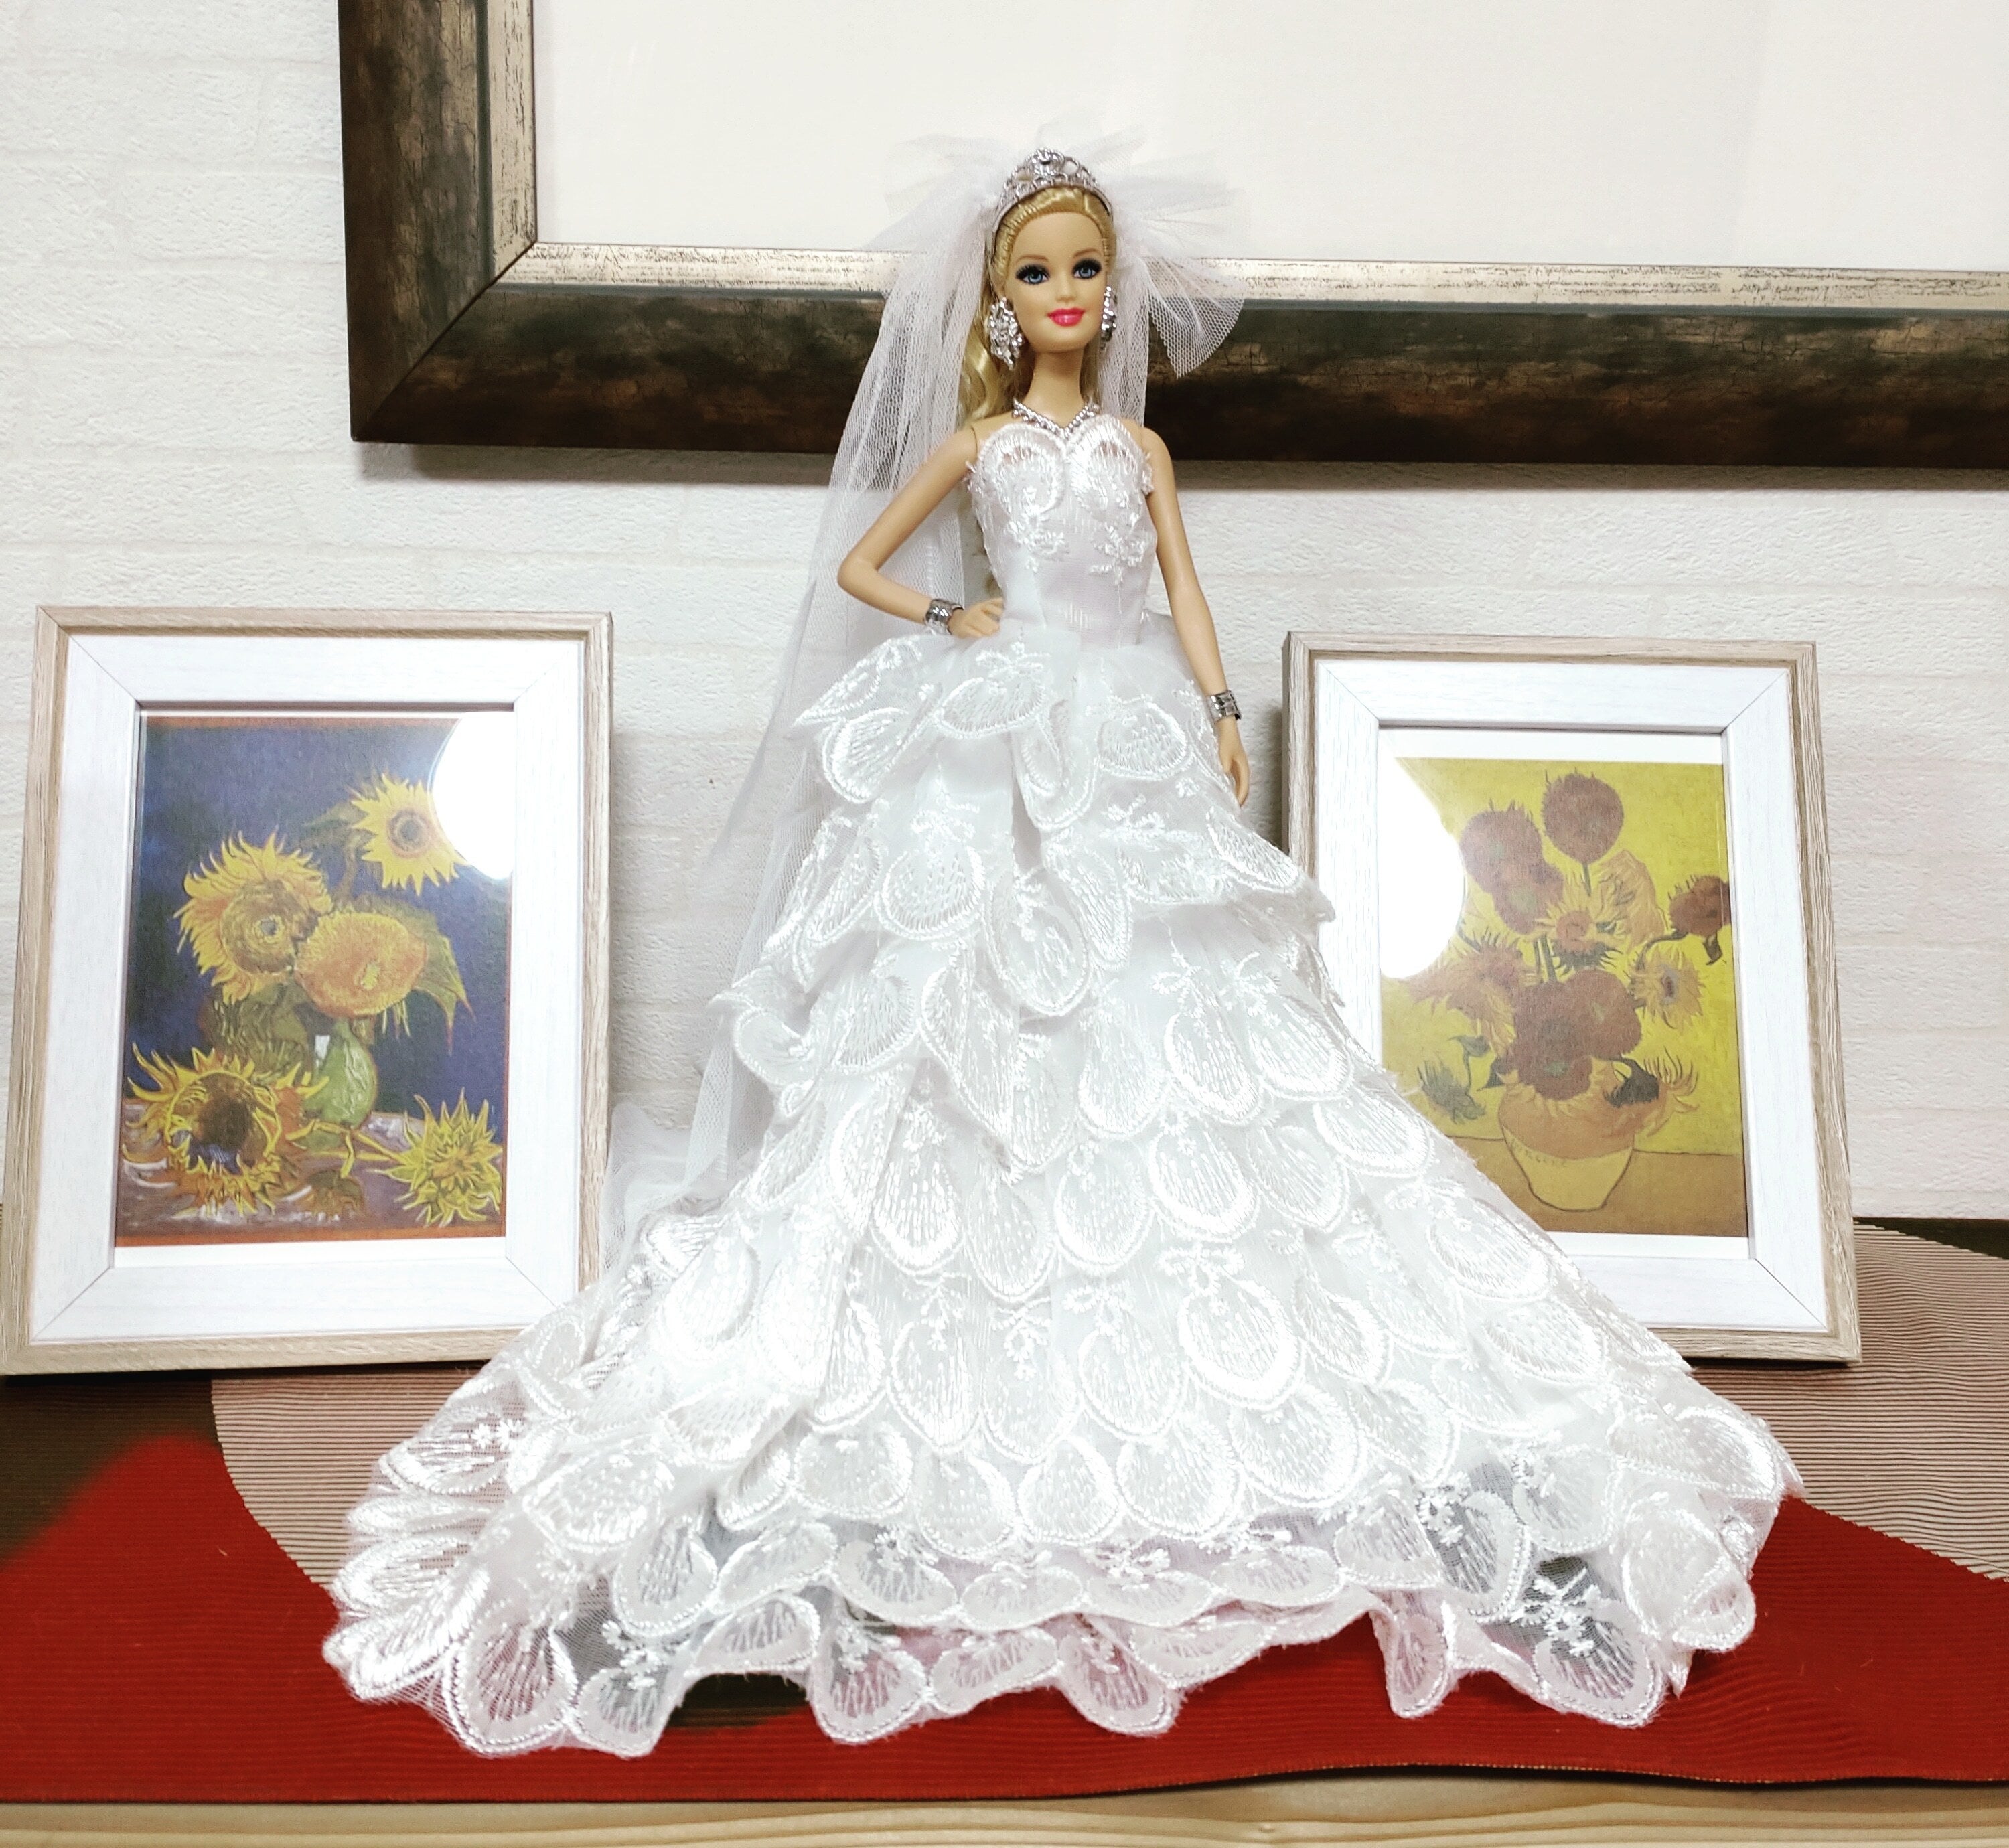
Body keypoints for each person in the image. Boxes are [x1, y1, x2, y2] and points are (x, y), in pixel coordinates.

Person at [325, 143, 1794, 1757]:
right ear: (998, 299)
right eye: (1037, 273)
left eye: (1084, 269)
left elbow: (1183, 589)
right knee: (960, 1005)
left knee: (1184, 1006)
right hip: (1000, 734)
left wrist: (1219, 707)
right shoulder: (987, 446)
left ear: (1113, 285)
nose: (1065, 295)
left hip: (1135, 725)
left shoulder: (1138, 447)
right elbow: (864, 562)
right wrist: (949, 621)